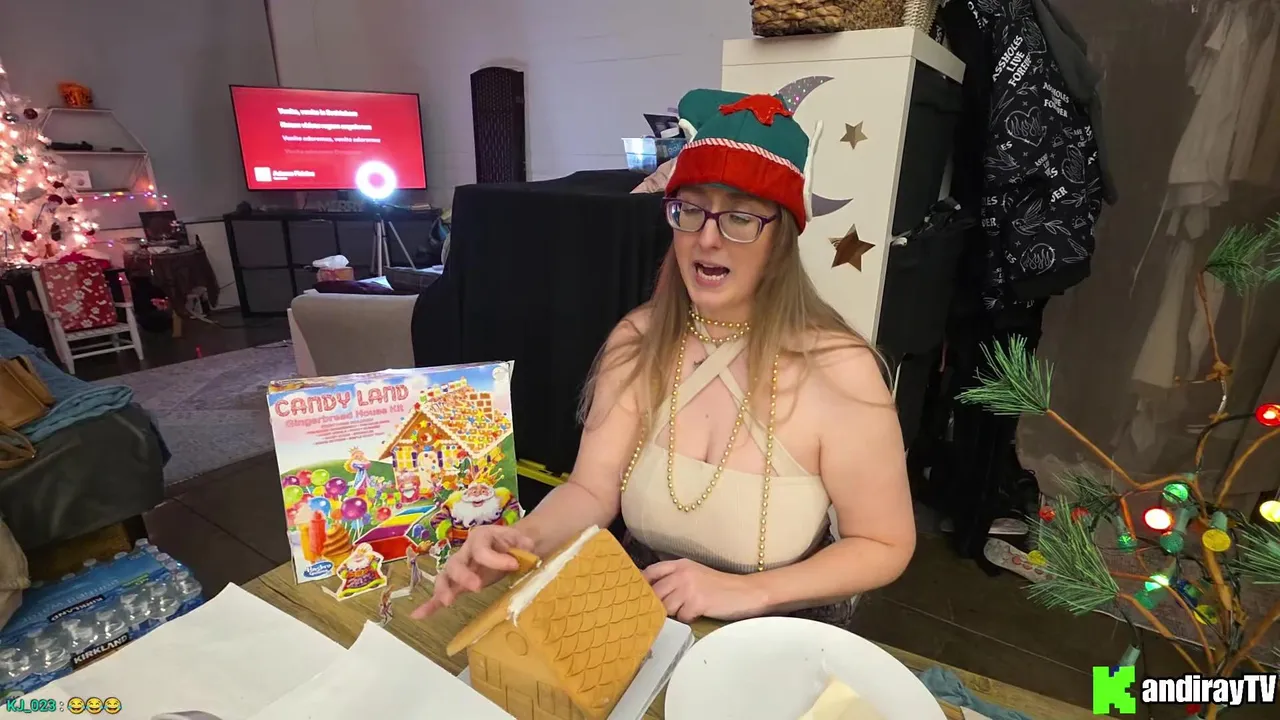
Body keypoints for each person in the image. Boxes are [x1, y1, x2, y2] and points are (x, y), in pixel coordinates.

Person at [412, 89, 915, 627]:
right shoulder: (638, 339)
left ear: (782, 236)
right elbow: (590, 490)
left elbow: (883, 543)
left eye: (740, 217)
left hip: (780, 627)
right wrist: (520, 540)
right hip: (642, 607)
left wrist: (748, 593)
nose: (708, 239)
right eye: (690, 211)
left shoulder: (839, 368)